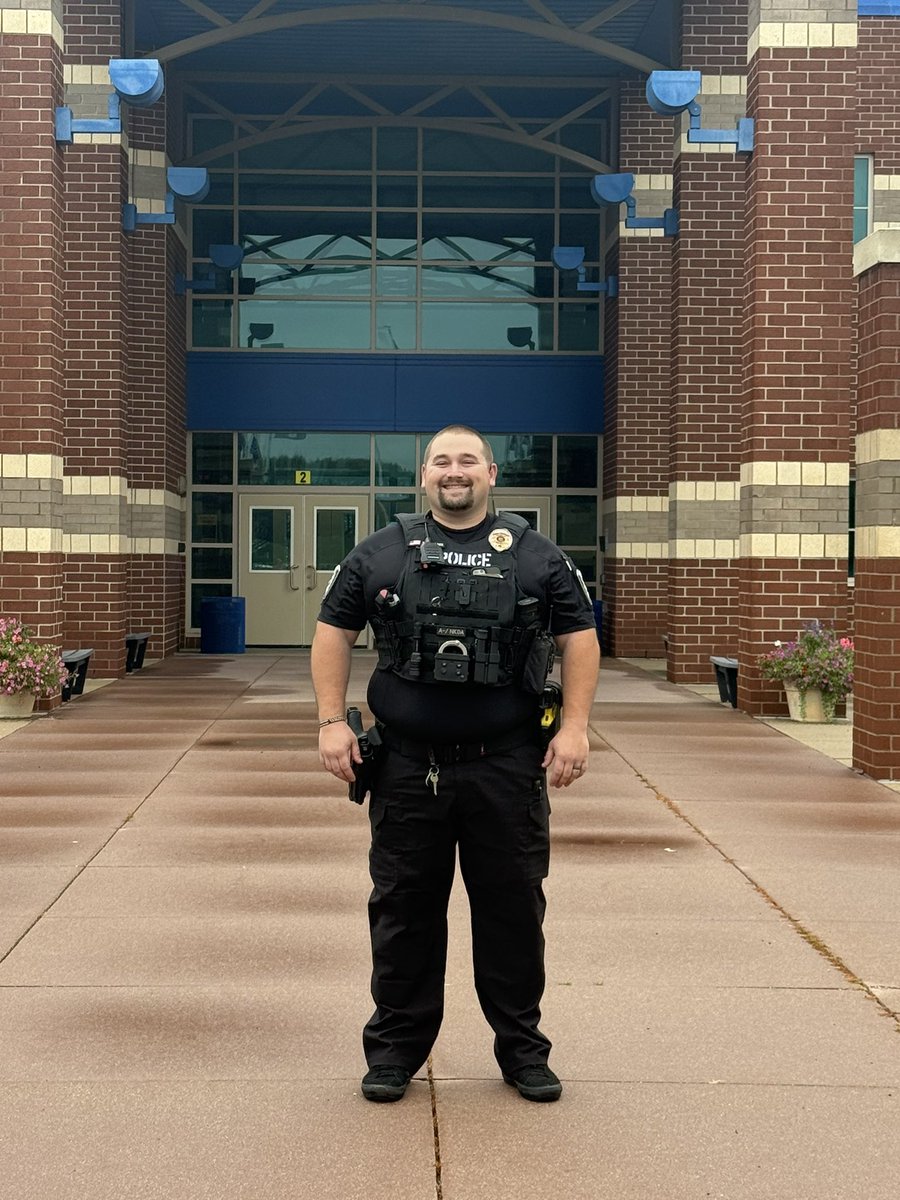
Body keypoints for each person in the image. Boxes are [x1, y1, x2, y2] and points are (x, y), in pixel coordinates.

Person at [311, 425, 600, 1104]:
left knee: (512, 915)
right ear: (424, 474)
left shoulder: (538, 557)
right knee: (404, 913)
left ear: (491, 472)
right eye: (442, 460)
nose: (454, 470)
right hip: (410, 770)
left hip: (506, 768)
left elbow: (578, 638)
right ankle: (393, 1054)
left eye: (467, 460)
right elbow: (333, 632)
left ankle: (523, 1052)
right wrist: (331, 720)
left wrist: (578, 728)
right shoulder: (380, 553)